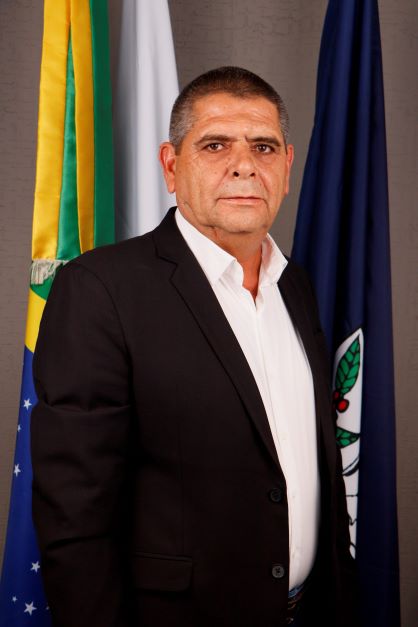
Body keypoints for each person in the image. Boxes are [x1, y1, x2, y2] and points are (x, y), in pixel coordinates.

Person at [31, 66, 359, 627]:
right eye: (215, 145)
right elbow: (75, 515)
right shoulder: (100, 289)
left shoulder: (295, 287)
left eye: (263, 147)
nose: (244, 165)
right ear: (171, 166)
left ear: (286, 167)